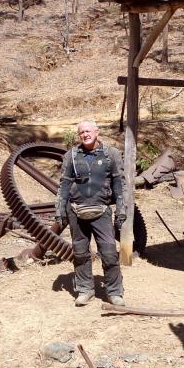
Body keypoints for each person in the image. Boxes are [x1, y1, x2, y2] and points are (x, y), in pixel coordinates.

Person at [55, 120, 126, 306]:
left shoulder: (111, 154)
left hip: (101, 211)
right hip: (76, 212)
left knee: (109, 252)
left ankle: (114, 292)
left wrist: (121, 210)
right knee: (80, 253)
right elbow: (64, 183)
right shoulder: (71, 156)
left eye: (88, 131)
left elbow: (120, 183)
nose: (85, 135)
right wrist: (60, 209)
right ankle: (85, 290)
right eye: (81, 132)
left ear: (97, 132)